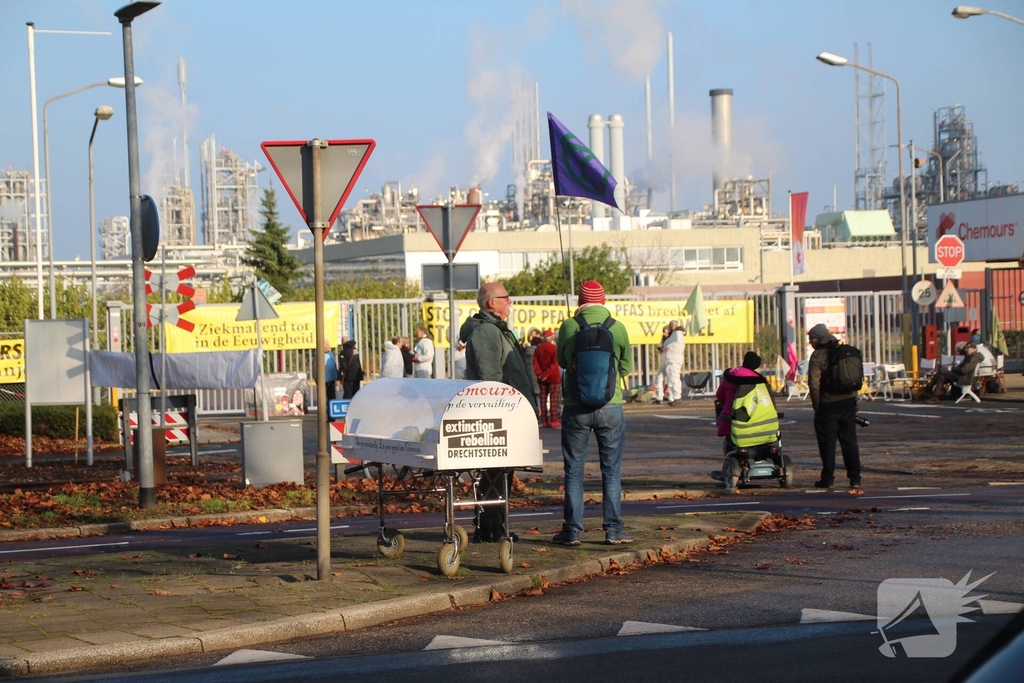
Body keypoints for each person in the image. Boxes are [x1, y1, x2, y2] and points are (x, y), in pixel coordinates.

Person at [553, 280, 633, 546]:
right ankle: (613, 530)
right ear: (604, 301)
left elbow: (563, 361)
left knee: (574, 470)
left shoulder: (569, 326)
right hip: (610, 406)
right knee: (611, 470)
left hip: (575, 407)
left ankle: (572, 531)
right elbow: (626, 366)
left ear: (580, 301)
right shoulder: (617, 327)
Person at [459, 282, 537, 543]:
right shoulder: (486, 332)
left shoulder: (496, 329)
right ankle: (490, 528)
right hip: (500, 414)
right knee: (495, 473)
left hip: (509, 411)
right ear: (492, 302)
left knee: (500, 473)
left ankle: (493, 526)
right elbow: (490, 378)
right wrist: (504, 411)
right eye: (506, 297)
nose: (510, 301)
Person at [807, 324, 862, 491]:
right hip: (848, 402)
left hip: (828, 403)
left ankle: (828, 478)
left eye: (811, 339)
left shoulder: (818, 356)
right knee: (850, 442)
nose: (810, 343)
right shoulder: (845, 351)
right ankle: (855, 478)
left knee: (828, 444)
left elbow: (814, 384)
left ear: (817, 339)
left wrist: (817, 404)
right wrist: (854, 403)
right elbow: (853, 379)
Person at [716, 351, 770, 448]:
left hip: (730, 419)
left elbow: (720, 395)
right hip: (755, 419)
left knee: (731, 443)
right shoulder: (759, 380)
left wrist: (726, 404)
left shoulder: (730, 375)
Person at [533, 329, 561, 428]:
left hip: (541, 379)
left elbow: (535, 364)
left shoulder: (538, 349)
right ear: (551, 337)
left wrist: (540, 374)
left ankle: (545, 420)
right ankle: (553, 420)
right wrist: (546, 374)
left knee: (543, 400)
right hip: (553, 377)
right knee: (554, 400)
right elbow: (554, 364)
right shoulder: (554, 348)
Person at [662, 320, 685, 406]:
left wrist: (665, 345)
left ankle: (677, 397)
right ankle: (673, 397)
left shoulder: (677, 334)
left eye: (671, 326)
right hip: (673, 359)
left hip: (674, 359)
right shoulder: (677, 334)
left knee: (674, 378)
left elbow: (667, 343)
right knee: (672, 379)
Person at [314, 339, 340, 403]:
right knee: (325, 398)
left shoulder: (330, 354)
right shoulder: (320, 355)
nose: (326, 346)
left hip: (330, 380)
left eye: (327, 344)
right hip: (324, 380)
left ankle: (329, 408)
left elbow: (334, 366)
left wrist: (337, 377)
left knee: (330, 398)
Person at [523, 328, 542, 414]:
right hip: (537, 375)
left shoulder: (526, 351)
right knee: (538, 395)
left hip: (528, 375)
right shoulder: (538, 352)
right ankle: (539, 411)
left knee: (531, 394)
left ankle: (533, 411)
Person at [650, 325, 670, 404]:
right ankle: (659, 397)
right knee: (658, 378)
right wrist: (662, 349)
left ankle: (672, 396)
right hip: (664, 361)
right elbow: (660, 347)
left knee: (672, 379)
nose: (664, 333)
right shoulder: (664, 339)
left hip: (671, 361)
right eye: (663, 332)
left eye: (666, 332)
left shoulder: (672, 339)